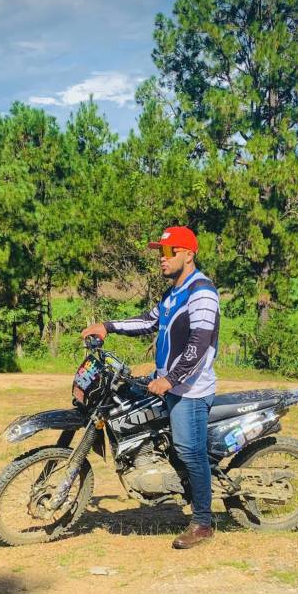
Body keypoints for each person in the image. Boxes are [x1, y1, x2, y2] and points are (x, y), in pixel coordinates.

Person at [81, 226, 220, 549]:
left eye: (169, 252)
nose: (162, 258)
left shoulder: (202, 293)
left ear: (188, 254)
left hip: (191, 389)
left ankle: (202, 521)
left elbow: (199, 344)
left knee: (190, 450)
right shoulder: (174, 293)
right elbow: (148, 321)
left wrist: (170, 379)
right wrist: (108, 327)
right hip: (169, 383)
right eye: (160, 252)